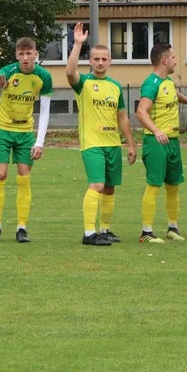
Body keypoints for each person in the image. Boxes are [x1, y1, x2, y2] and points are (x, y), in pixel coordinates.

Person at [66, 23, 137, 246]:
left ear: (110, 61)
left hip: (113, 144)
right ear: (90, 61)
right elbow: (69, 72)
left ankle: (105, 230)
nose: (100, 62)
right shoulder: (84, 83)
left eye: (104, 59)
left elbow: (123, 117)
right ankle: (89, 233)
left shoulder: (116, 87)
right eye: (96, 59)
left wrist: (131, 144)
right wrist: (78, 44)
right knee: (96, 185)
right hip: (92, 144)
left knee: (109, 188)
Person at [0, 37, 52, 244]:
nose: (25, 58)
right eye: (21, 54)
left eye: (29, 53)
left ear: (36, 54)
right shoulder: (6, 71)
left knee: (24, 176)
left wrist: (39, 142)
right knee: (0, 174)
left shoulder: (44, 77)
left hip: (25, 132)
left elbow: (44, 111)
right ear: (16, 55)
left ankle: (21, 227)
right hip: (2, 129)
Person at [135, 44, 187, 244]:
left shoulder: (168, 82)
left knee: (173, 186)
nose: (175, 60)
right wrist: (156, 131)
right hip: (155, 142)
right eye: (173, 57)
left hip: (172, 142)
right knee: (154, 185)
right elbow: (141, 111)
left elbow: (173, 94)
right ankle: (146, 232)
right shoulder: (151, 84)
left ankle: (172, 228)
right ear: (164, 60)